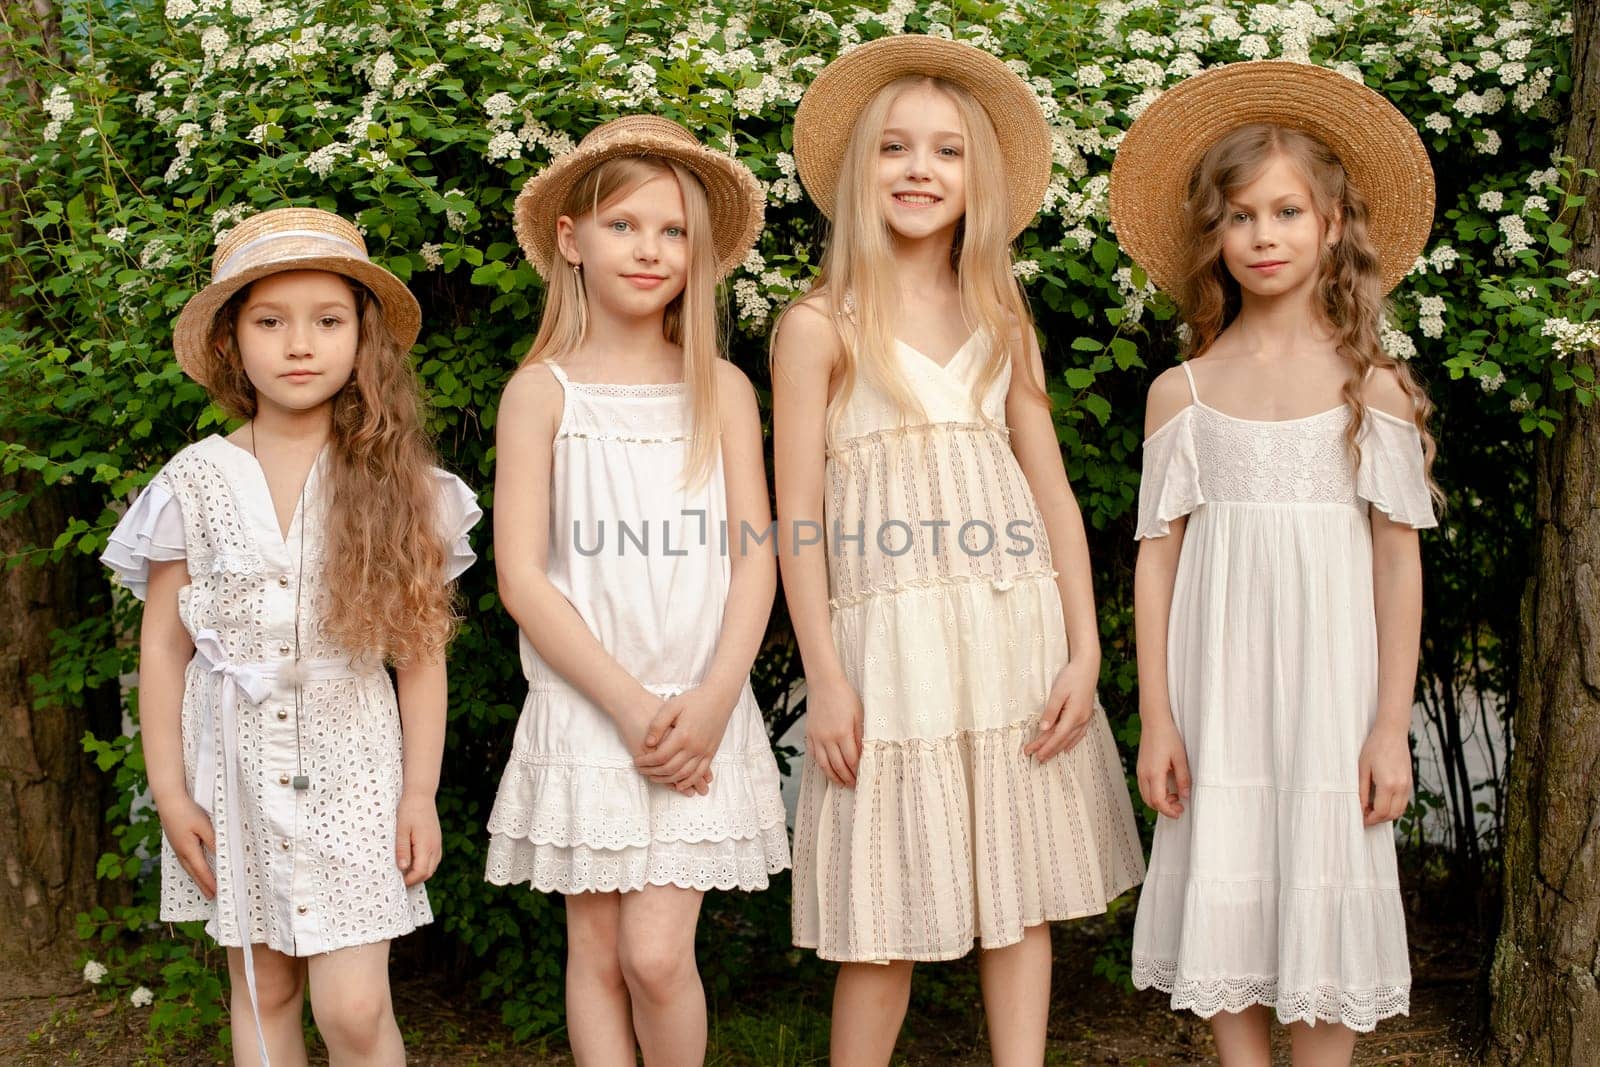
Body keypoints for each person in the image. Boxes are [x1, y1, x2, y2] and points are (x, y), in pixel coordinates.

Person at [774, 35, 1145, 1066]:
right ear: (860, 172)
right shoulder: (819, 325)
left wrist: (1084, 648)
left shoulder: (1000, 313)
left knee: (1019, 894)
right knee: (881, 912)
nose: (919, 169)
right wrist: (826, 674)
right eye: (894, 148)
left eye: (945, 151)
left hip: (1011, 632)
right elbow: (795, 513)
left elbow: (1054, 492)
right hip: (888, 646)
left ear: (976, 176)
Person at [1110, 61, 1442, 1064]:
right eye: (1241, 215)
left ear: (1333, 225)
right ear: (1215, 235)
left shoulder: (1368, 388)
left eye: (1286, 212)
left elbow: (1396, 565)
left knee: (1320, 895)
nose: (1263, 235)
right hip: (1218, 698)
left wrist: (1389, 724)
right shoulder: (1183, 392)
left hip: (1332, 702)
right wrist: (1158, 715)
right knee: (1230, 884)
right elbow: (1156, 564)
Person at [101, 206, 481, 1066]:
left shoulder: (398, 483)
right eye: (271, 321)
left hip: (355, 766)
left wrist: (419, 793)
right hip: (231, 769)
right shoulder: (194, 481)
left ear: (361, 339)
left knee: (351, 1007)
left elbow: (420, 652)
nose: (299, 343)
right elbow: (164, 646)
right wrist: (170, 791)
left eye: (327, 321)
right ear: (235, 341)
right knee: (263, 988)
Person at [483, 116, 790, 1066]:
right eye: (624, 225)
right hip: (589, 705)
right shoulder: (542, 392)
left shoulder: (723, 390)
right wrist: (625, 705)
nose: (650, 249)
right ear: (572, 241)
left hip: (700, 706)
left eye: (673, 231)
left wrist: (706, 705)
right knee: (600, 950)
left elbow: (757, 557)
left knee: (659, 957)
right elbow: (522, 577)